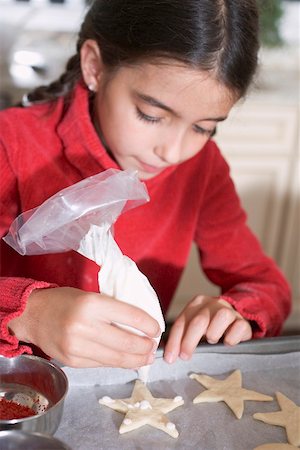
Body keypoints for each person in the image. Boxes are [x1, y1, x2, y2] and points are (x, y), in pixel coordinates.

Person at [0, 0, 291, 369]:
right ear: (95, 67)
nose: (172, 151)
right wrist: (29, 312)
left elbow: (266, 286)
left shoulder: (201, 166)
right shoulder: (12, 145)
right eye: (150, 115)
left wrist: (235, 312)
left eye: (204, 127)